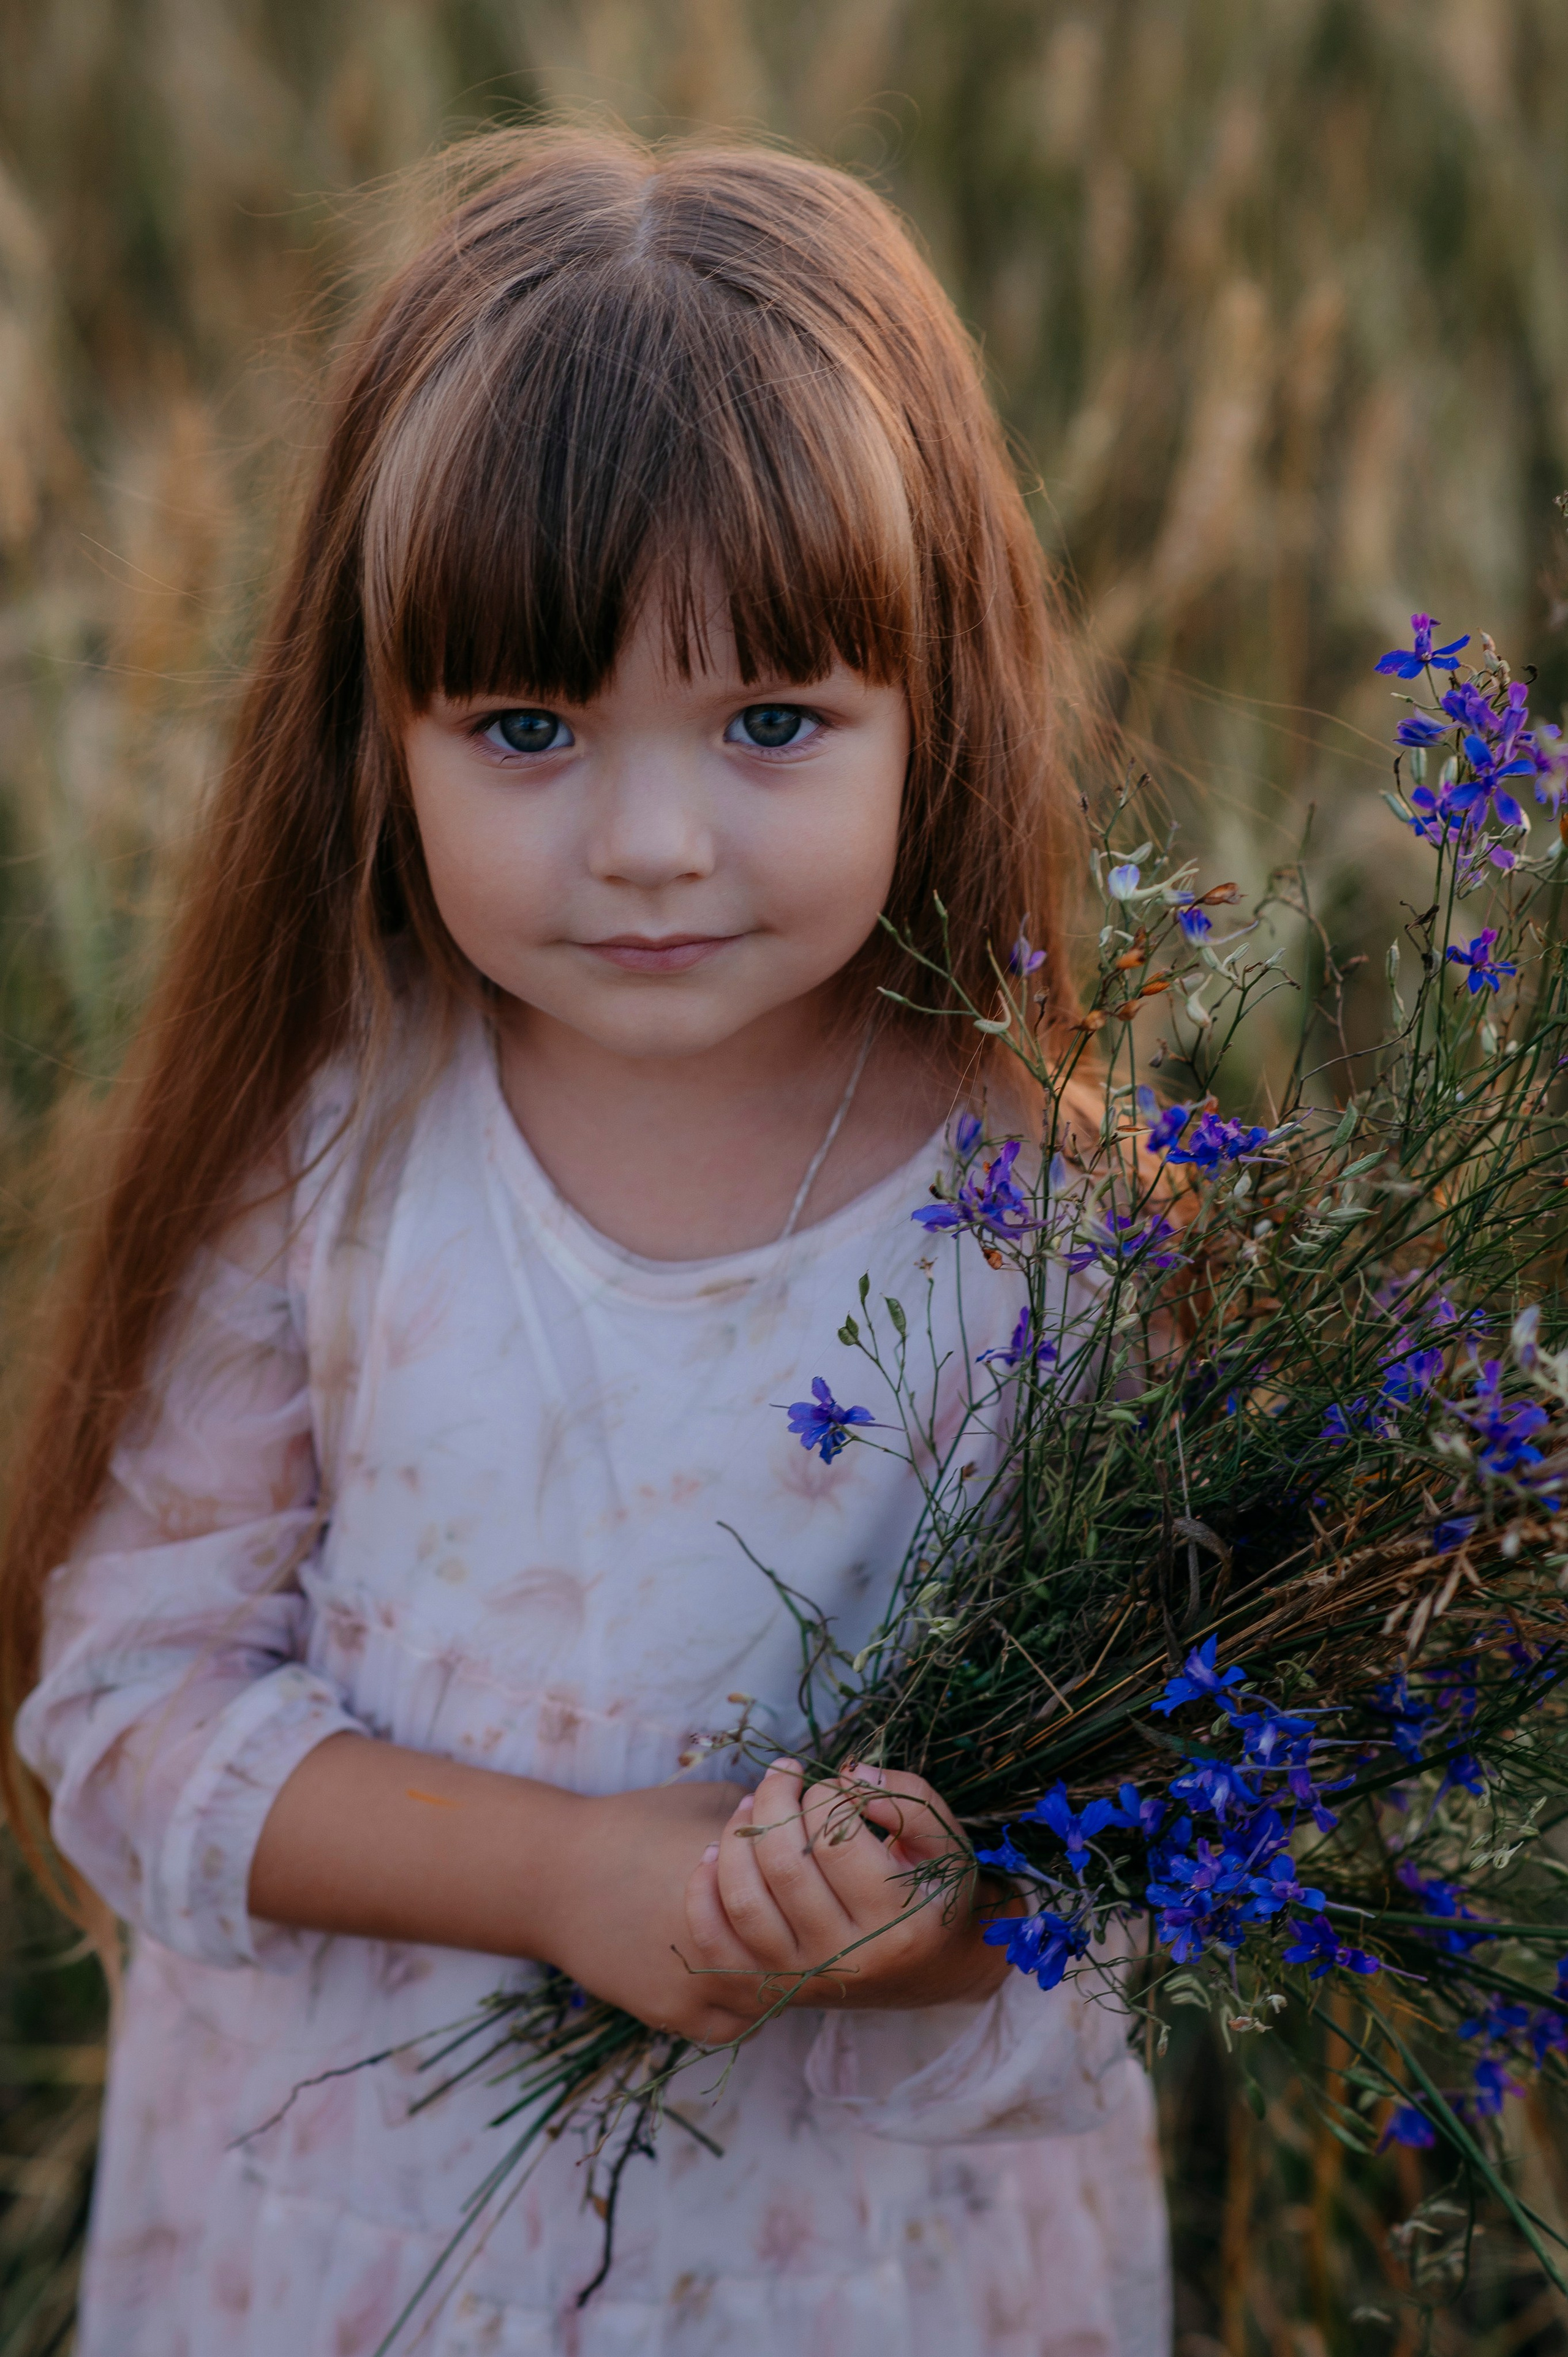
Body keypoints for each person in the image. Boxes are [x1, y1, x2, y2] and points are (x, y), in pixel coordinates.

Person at [2, 130, 1170, 2356]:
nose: (650, 843)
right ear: (386, 731)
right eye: (529, 728)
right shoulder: (336, 1159)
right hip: (366, 2223)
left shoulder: (1041, 1228)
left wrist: (906, 1919)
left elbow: (1127, 1832)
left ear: (943, 707)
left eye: (769, 723)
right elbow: (130, 1703)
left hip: (850, 2264)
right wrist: (566, 1879)